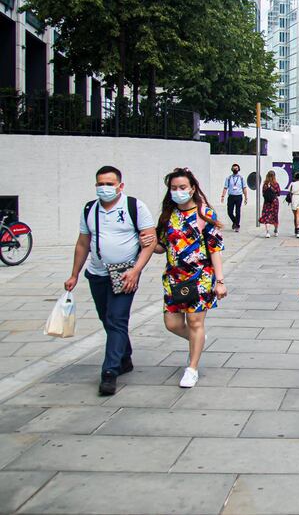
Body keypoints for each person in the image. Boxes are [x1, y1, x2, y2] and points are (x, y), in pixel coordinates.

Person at [65, 166, 157, 396]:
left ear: (120, 186)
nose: (104, 188)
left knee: (117, 318)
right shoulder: (90, 209)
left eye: (109, 184)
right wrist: (74, 273)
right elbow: (83, 243)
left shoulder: (134, 207)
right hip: (97, 273)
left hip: (125, 272)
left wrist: (136, 270)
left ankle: (110, 371)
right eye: (100, 184)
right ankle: (124, 357)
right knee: (107, 318)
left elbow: (150, 241)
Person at [155, 168, 227, 388]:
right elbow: (161, 246)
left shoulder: (205, 213)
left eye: (182, 187)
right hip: (174, 277)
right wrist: (145, 242)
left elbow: (215, 248)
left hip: (200, 276)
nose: (178, 192)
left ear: (192, 188)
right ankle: (198, 340)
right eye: (174, 188)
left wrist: (220, 281)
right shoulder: (168, 215)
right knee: (172, 323)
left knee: (195, 321)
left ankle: (192, 368)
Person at [221, 164, 247, 232]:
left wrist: (246, 197)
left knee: (237, 211)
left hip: (238, 196)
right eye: (234, 168)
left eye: (236, 168)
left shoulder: (241, 178)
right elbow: (225, 187)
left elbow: (244, 188)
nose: (235, 169)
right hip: (231, 197)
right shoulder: (229, 178)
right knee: (229, 212)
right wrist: (222, 196)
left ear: (238, 169)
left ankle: (237, 225)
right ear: (232, 169)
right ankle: (235, 222)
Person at [260, 170, 281, 238]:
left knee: (266, 216)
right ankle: (276, 230)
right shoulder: (276, 184)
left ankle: (267, 232)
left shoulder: (265, 184)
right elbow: (279, 193)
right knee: (275, 216)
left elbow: (263, 193)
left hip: (267, 202)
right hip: (274, 202)